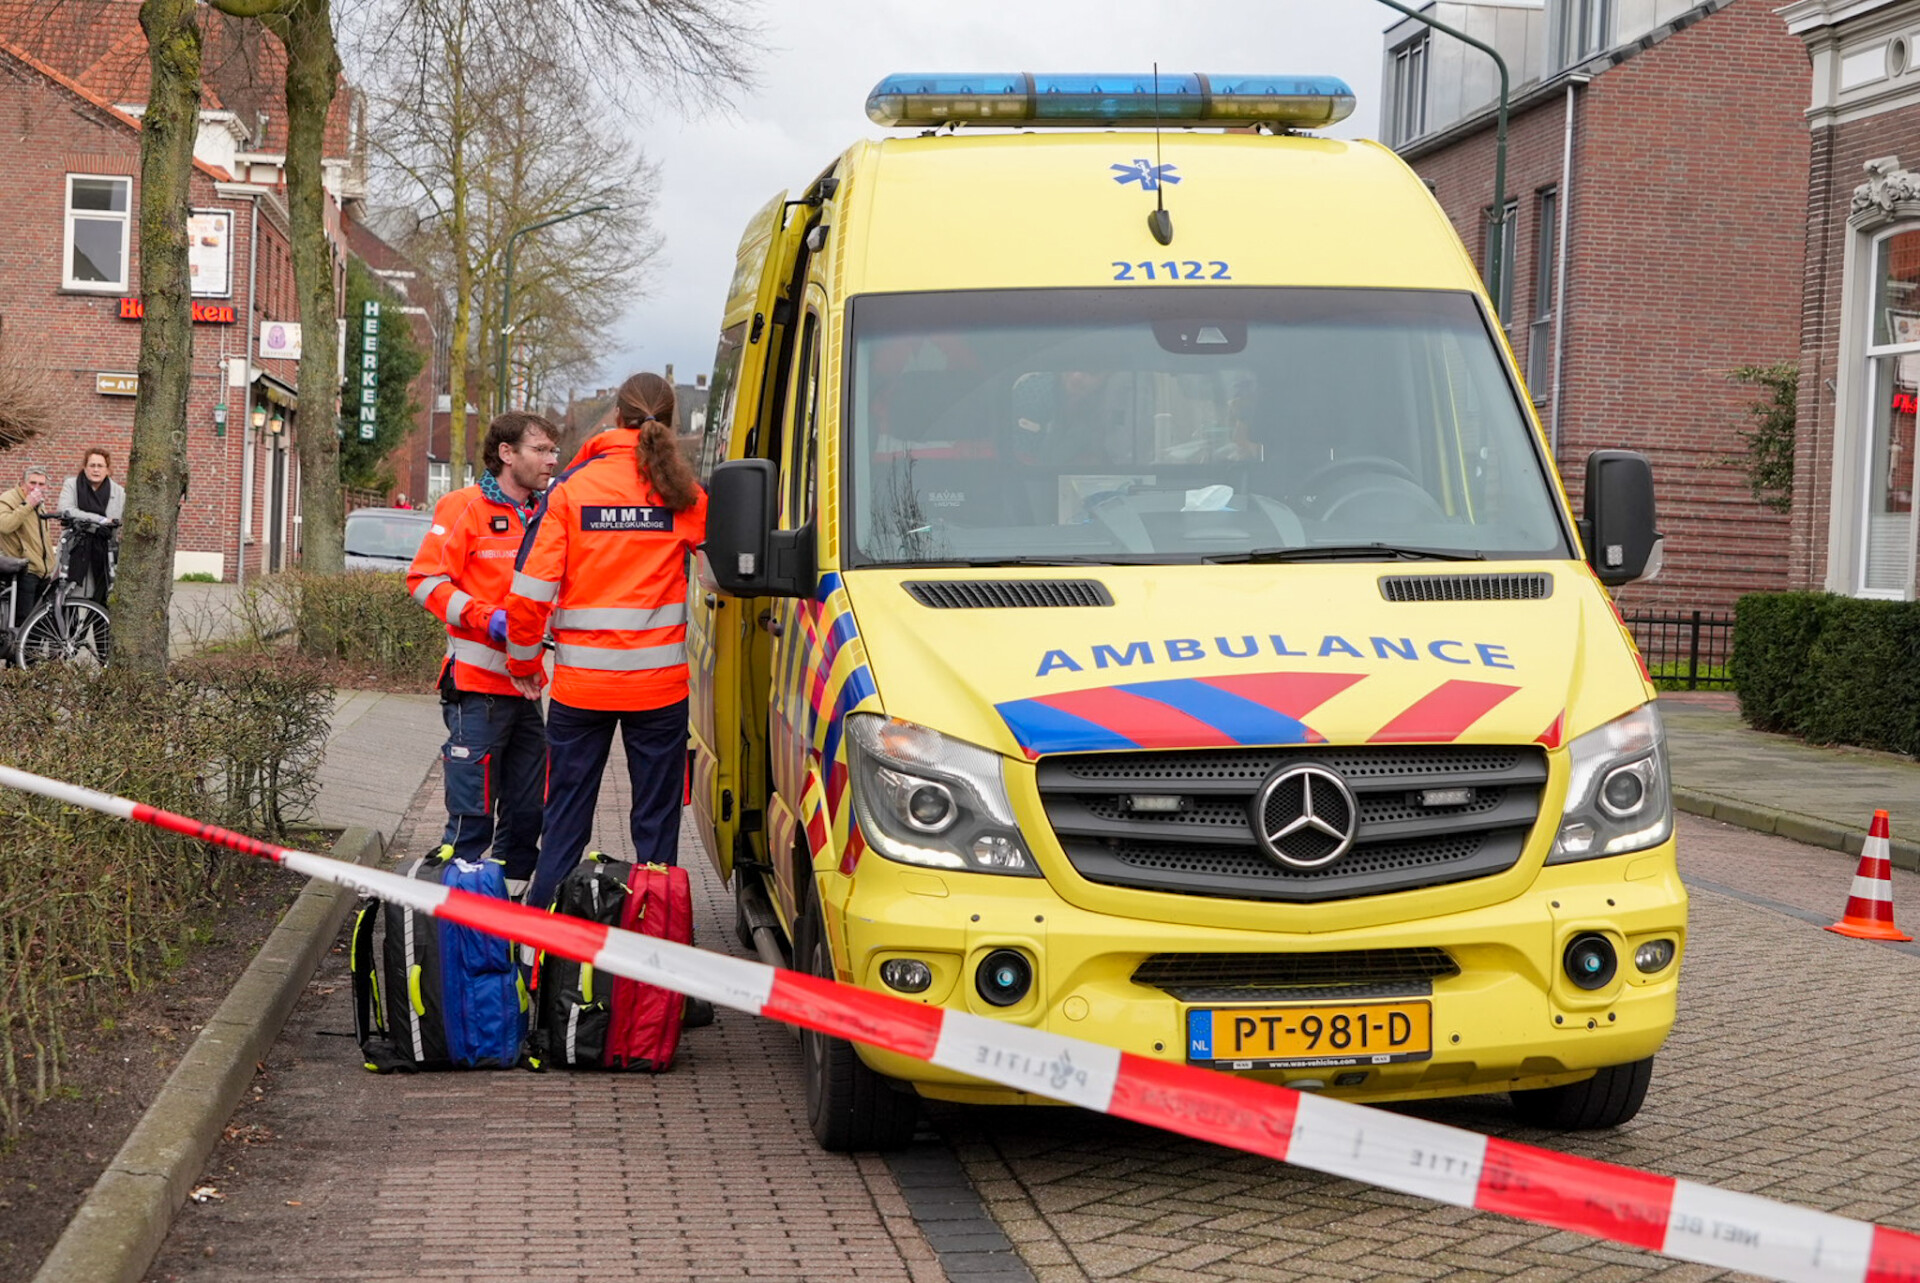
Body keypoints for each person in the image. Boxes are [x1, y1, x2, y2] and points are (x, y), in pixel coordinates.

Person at [507, 372, 708, 911]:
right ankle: (653, 946)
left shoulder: (572, 491)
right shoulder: (683, 493)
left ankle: (542, 952)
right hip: (659, 692)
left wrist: (524, 661)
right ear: (668, 421)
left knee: (566, 817)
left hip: (581, 690)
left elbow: (529, 592)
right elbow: (724, 573)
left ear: (616, 417)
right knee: (657, 826)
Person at [407, 412, 560, 898]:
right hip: (477, 693)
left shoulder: (548, 514)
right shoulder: (463, 507)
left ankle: (509, 913)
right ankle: (460, 925)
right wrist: (486, 616)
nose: (551, 459)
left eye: (554, 450)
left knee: (528, 814)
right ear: (506, 453)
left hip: (527, 687)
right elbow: (424, 580)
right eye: (540, 449)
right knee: (472, 816)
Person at [58, 448, 123, 605]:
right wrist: (101, 520)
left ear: (107, 469)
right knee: (69, 599)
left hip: (103, 553)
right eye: (92, 465)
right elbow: (66, 510)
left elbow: (120, 522)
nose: (95, 469)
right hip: (75, 550)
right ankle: (69, 629)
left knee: (102, 600)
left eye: (100, 466)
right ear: (85, 467)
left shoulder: (119, 492)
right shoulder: (72, 485)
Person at [0, 465, 54, 619]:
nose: (36, 488)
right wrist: (27, 504)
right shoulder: (8, 499)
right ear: (22, 483)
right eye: (32, 483)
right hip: (24, 570)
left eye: (41, 484)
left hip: (42, 572)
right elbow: (4, 525)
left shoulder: (39, 504)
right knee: (23, 620)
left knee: (37, 624)